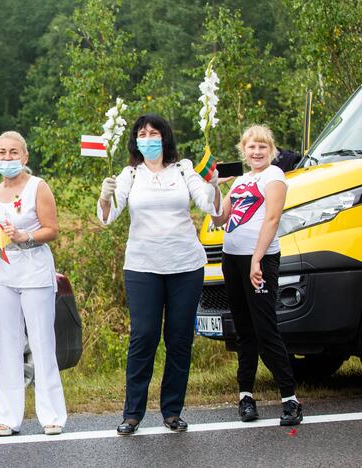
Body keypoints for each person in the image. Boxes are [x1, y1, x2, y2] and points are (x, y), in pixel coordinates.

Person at [98, 114, 222, 435]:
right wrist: (105, 194)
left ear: (165, 137)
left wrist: (214, 186)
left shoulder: (183, 169)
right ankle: (132, 414)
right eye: (142, 133)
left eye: (154, 133)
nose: (149, 138)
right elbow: (108, 218)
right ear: (135, 140)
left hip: (185, 266)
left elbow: (210, 207)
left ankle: (172, 411)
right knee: (144, 337)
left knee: (179, 339)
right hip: (142, 267)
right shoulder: (130, 174)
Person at [211, 125, 303, 426]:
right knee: (244, 331)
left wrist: (257, 259)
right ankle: (246, 397)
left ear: (271, 149)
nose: (257, 152)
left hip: (259, 260)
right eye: (251, 147)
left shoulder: (274, 176)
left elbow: (273, 218)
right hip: (232, 259)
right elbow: (219, 218)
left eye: (263, 146)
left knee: (265, 329)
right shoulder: (239, 181)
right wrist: (215, 186)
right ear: (243, 150)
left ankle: (290, 399)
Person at [0, 131, 67, 436]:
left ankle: (51, 415)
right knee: (6, 344)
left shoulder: (38, 187)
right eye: (2, 152)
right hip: (4, 271)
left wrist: (25, 237)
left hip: (34, 271)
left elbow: (52, 229)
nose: (7, 158)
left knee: (41, 342)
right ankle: (7, 415)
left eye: (13, 152)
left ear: (25, 156)